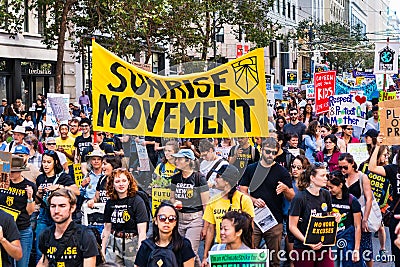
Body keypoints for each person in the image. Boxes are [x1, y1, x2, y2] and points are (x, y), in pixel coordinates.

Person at [239, 137, 294, 267]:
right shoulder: (251, 169)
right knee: (251, 256)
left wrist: (286, 189)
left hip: (274, 220)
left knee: (274, 260)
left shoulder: (282, 171)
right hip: (253, 219)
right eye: (267, 151)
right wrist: (253, 200)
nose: (270, 155)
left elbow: (292, 196)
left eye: (274, 153)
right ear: (261, 150)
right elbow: (242, 192)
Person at [202, 165, 254, 266]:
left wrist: (251, 249)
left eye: (218, 176)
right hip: (220, 246)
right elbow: (210, 229)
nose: (215, 179)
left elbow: (250, 227)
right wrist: (205, 256)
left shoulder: (244, 199)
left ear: (226, 181)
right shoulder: (213, 200)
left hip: (240, 247)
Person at [289, 163, 340, 267]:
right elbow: (292, 226)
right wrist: (307, 242)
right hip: (304, 248)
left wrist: (335, 216)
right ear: (312, 177)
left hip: (324, 246)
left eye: (326, 175)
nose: (326, 178)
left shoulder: (326, 194)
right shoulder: (299, 198)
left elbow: (329, 215)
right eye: (322, 176)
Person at [35, 150, 80, 263]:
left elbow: (77, 191)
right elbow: (37, 201)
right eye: (44, 162)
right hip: (44, 213)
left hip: (60, 213)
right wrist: (39, 193)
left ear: (55, 162)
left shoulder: (63, 176)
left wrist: (59, 187)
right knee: (40, 247)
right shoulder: (40, 178)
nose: (45, 165)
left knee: (61, 245)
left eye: (48, 162)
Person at [37, 189, 99, 267]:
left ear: (72, 208)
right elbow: (44, 262)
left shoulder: (85, 235)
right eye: (53, 206)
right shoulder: (46, 234)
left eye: (62, 206)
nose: (56, 211)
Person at [170, 149, 209, 267]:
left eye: (179, 159)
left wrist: (205, 226)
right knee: (179, 249)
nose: (176, 161)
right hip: (179, 218)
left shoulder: (199, 178)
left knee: (190, 251)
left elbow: (205, 204)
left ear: (188, 161)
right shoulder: (175, 178)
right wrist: (175, 202)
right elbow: (171, 197)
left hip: (195, 219)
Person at [101, 169, 149, 267]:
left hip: (132, 242)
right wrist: (102, 249)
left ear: (129, 182)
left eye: (124, 181)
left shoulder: (137, 201)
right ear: (112, 184)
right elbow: (107, 228)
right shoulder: (110, 202)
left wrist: (141, 252)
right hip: (114, 242)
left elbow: (142, 231)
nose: (121, 184)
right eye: (117, 181)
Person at [368, 140, 400, 267]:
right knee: (397, 251)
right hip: (396, 215)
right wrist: (377, 146)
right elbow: (372, 168)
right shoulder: (393, 169)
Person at [338, 153, 374, 267]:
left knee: (366, 248)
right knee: (349, 247)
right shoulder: (341, 177)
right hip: (346, 217)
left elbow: (369, 199)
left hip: (361, 214)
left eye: (345, 167)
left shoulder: (362, 177)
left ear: (352, 164)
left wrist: (365, 219)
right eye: (340, 167)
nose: (342, 170)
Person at [0, 155, 36, 267]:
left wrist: (30, 197)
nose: (11, 174)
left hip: (22, 228)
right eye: (9, 170)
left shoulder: (29, 186)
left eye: (14, 171)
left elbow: (30, 212)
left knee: (21, 263)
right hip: (5, 229)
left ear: (20, 171)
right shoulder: (3, 182)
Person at [135, 203, 195, 267]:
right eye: (162, 218)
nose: (167, 221)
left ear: (175, 222)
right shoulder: (146, 246)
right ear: (155, 220)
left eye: (171, 218)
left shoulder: (184, 245)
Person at [326, 171, 363, 267]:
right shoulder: (328, 198)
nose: (329, 190)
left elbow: (357, 226)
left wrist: (356, 249)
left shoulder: (352, 200)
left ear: (340, 185)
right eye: (328, 187)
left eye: (331, 187)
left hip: (348, 237)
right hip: (332, 238)